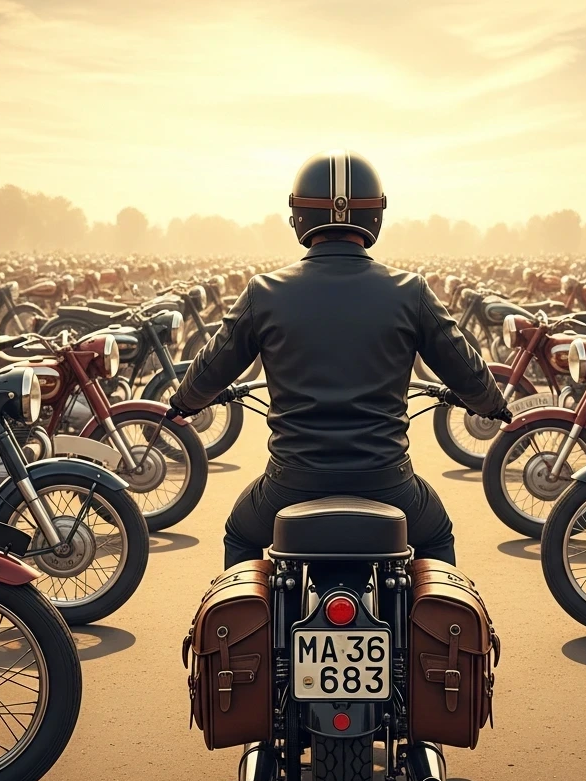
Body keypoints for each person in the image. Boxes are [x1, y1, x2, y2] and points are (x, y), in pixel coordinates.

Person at [168, 150, 509, 567]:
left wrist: (183, 404)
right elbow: (468, 371)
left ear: (298, 215)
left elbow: (210, 369)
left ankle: (250, 630)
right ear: (375, 216)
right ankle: (437, 630)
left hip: (289, 485)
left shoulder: (265, 291)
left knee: (240, 533)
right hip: (388, 482)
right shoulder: (410, 290)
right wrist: (494, 406)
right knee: (437, 535)